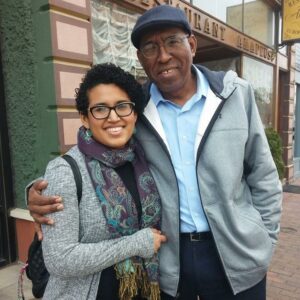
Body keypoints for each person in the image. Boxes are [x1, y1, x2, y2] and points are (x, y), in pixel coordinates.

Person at [27, 5, 282, 300]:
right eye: (150, 47)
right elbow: (94, 153)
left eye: (173, 41)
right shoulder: (136, 109)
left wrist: (265, 241)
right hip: (170, 255)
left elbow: (263, 175)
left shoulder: (234, 95)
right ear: (140, 59)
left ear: (192, 44)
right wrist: (38, 191)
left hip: (237, 249)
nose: (163, 56)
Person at [36, 63, 166, 300]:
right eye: (100, 109)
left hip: (144, 290)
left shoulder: (143, 160)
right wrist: (136, 244)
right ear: (85, 118)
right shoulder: (64, 171)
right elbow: (59, 259)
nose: (113, 117)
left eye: (122, 107)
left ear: (134, 114)